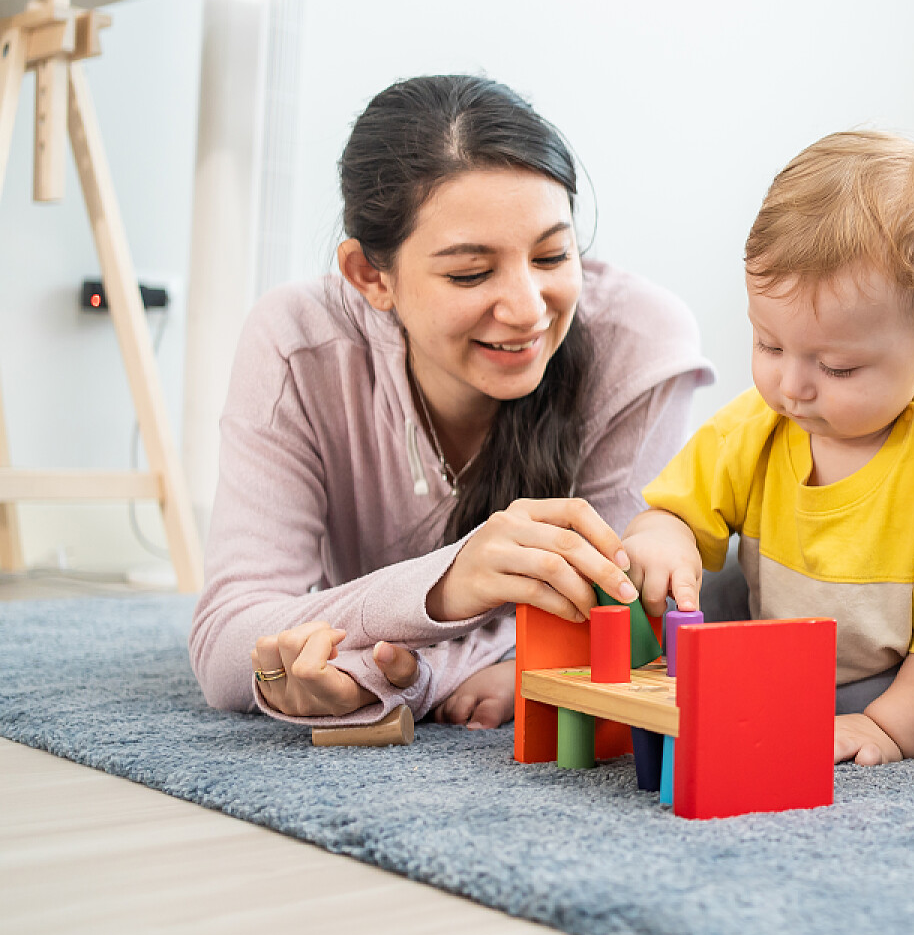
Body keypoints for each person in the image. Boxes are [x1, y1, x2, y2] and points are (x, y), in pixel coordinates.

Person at [189, 75, 712, 731]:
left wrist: (414, 676)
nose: (527, 309)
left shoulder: (640, 338)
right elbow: (228, 641)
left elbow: (616, 613)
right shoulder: (298, 341)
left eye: (553, 254)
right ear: (370, 276)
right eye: (470, 272)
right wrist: (448, 584)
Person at [624, 131, 914, 765]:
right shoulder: (762, 421)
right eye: (769, 346)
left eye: (837, 367)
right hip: (815, 636)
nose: (790, 386)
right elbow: (675, 510)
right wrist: (664, 533)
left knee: (827, 700)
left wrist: (888, 727)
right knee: (696, 582)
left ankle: (853, 705)